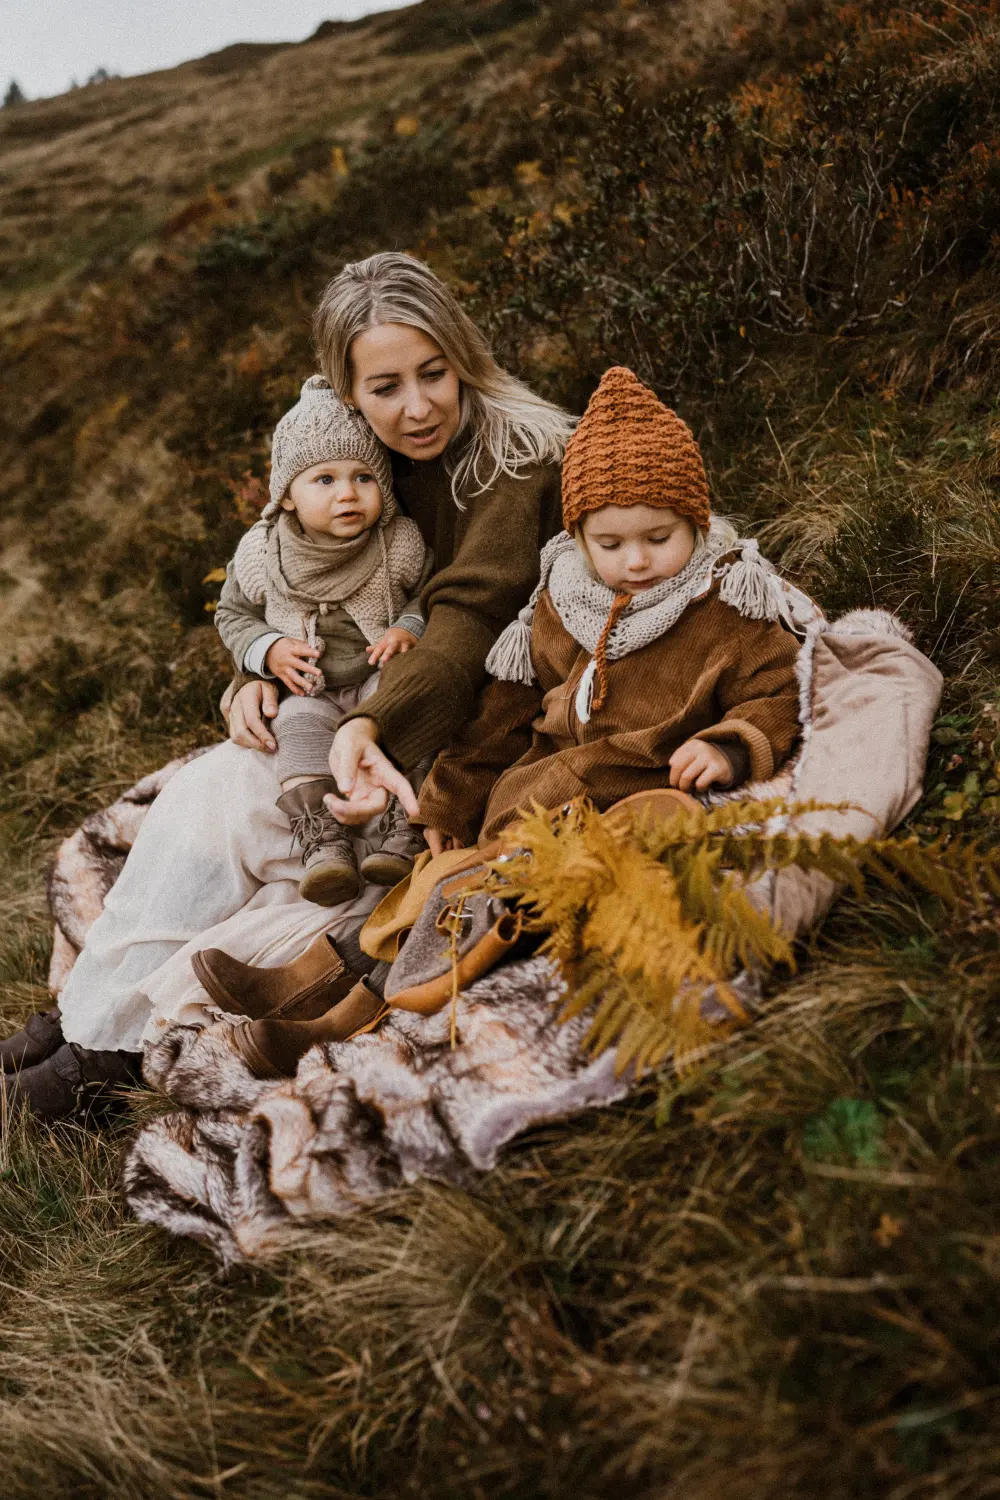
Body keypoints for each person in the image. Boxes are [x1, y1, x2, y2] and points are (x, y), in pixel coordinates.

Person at [2, 251, 571, 1120]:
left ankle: (105, 1056)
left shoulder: (512, 456)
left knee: (283, 864)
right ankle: (84, 1018)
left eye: (433, 373)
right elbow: (305, 587)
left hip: (464, 728)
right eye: (384, 387)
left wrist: (371, 724)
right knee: (207, 792)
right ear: (347, 393)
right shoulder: (361, 469)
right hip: (363, 712)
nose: (416, 406)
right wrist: (256, 670)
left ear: (463, 355)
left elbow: (467, 616)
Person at [417, 366, 802, 851]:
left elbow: (782, 689)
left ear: (696, 524)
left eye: (659, 538)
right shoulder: (559, 602)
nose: (637, 561)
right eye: (610, 543)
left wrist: (729, 747)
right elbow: (501, 717)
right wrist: (449, 802)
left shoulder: (724, 602)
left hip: (651, 780)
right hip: (541, 797)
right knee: (492, 856)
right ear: (578, 539)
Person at [215, 376, 431, 904]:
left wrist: (408, 624)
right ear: (286, 495)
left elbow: (429, 593)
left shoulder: (397, 543)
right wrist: (266, 648)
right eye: (324, 480)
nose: (347, 494)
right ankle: (323, 841)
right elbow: (233, 613)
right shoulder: (263, 552)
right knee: (295, 734)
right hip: (313, 687)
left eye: (363, 477)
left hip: (382, 677)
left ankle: (404, 828)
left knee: (415, 720)